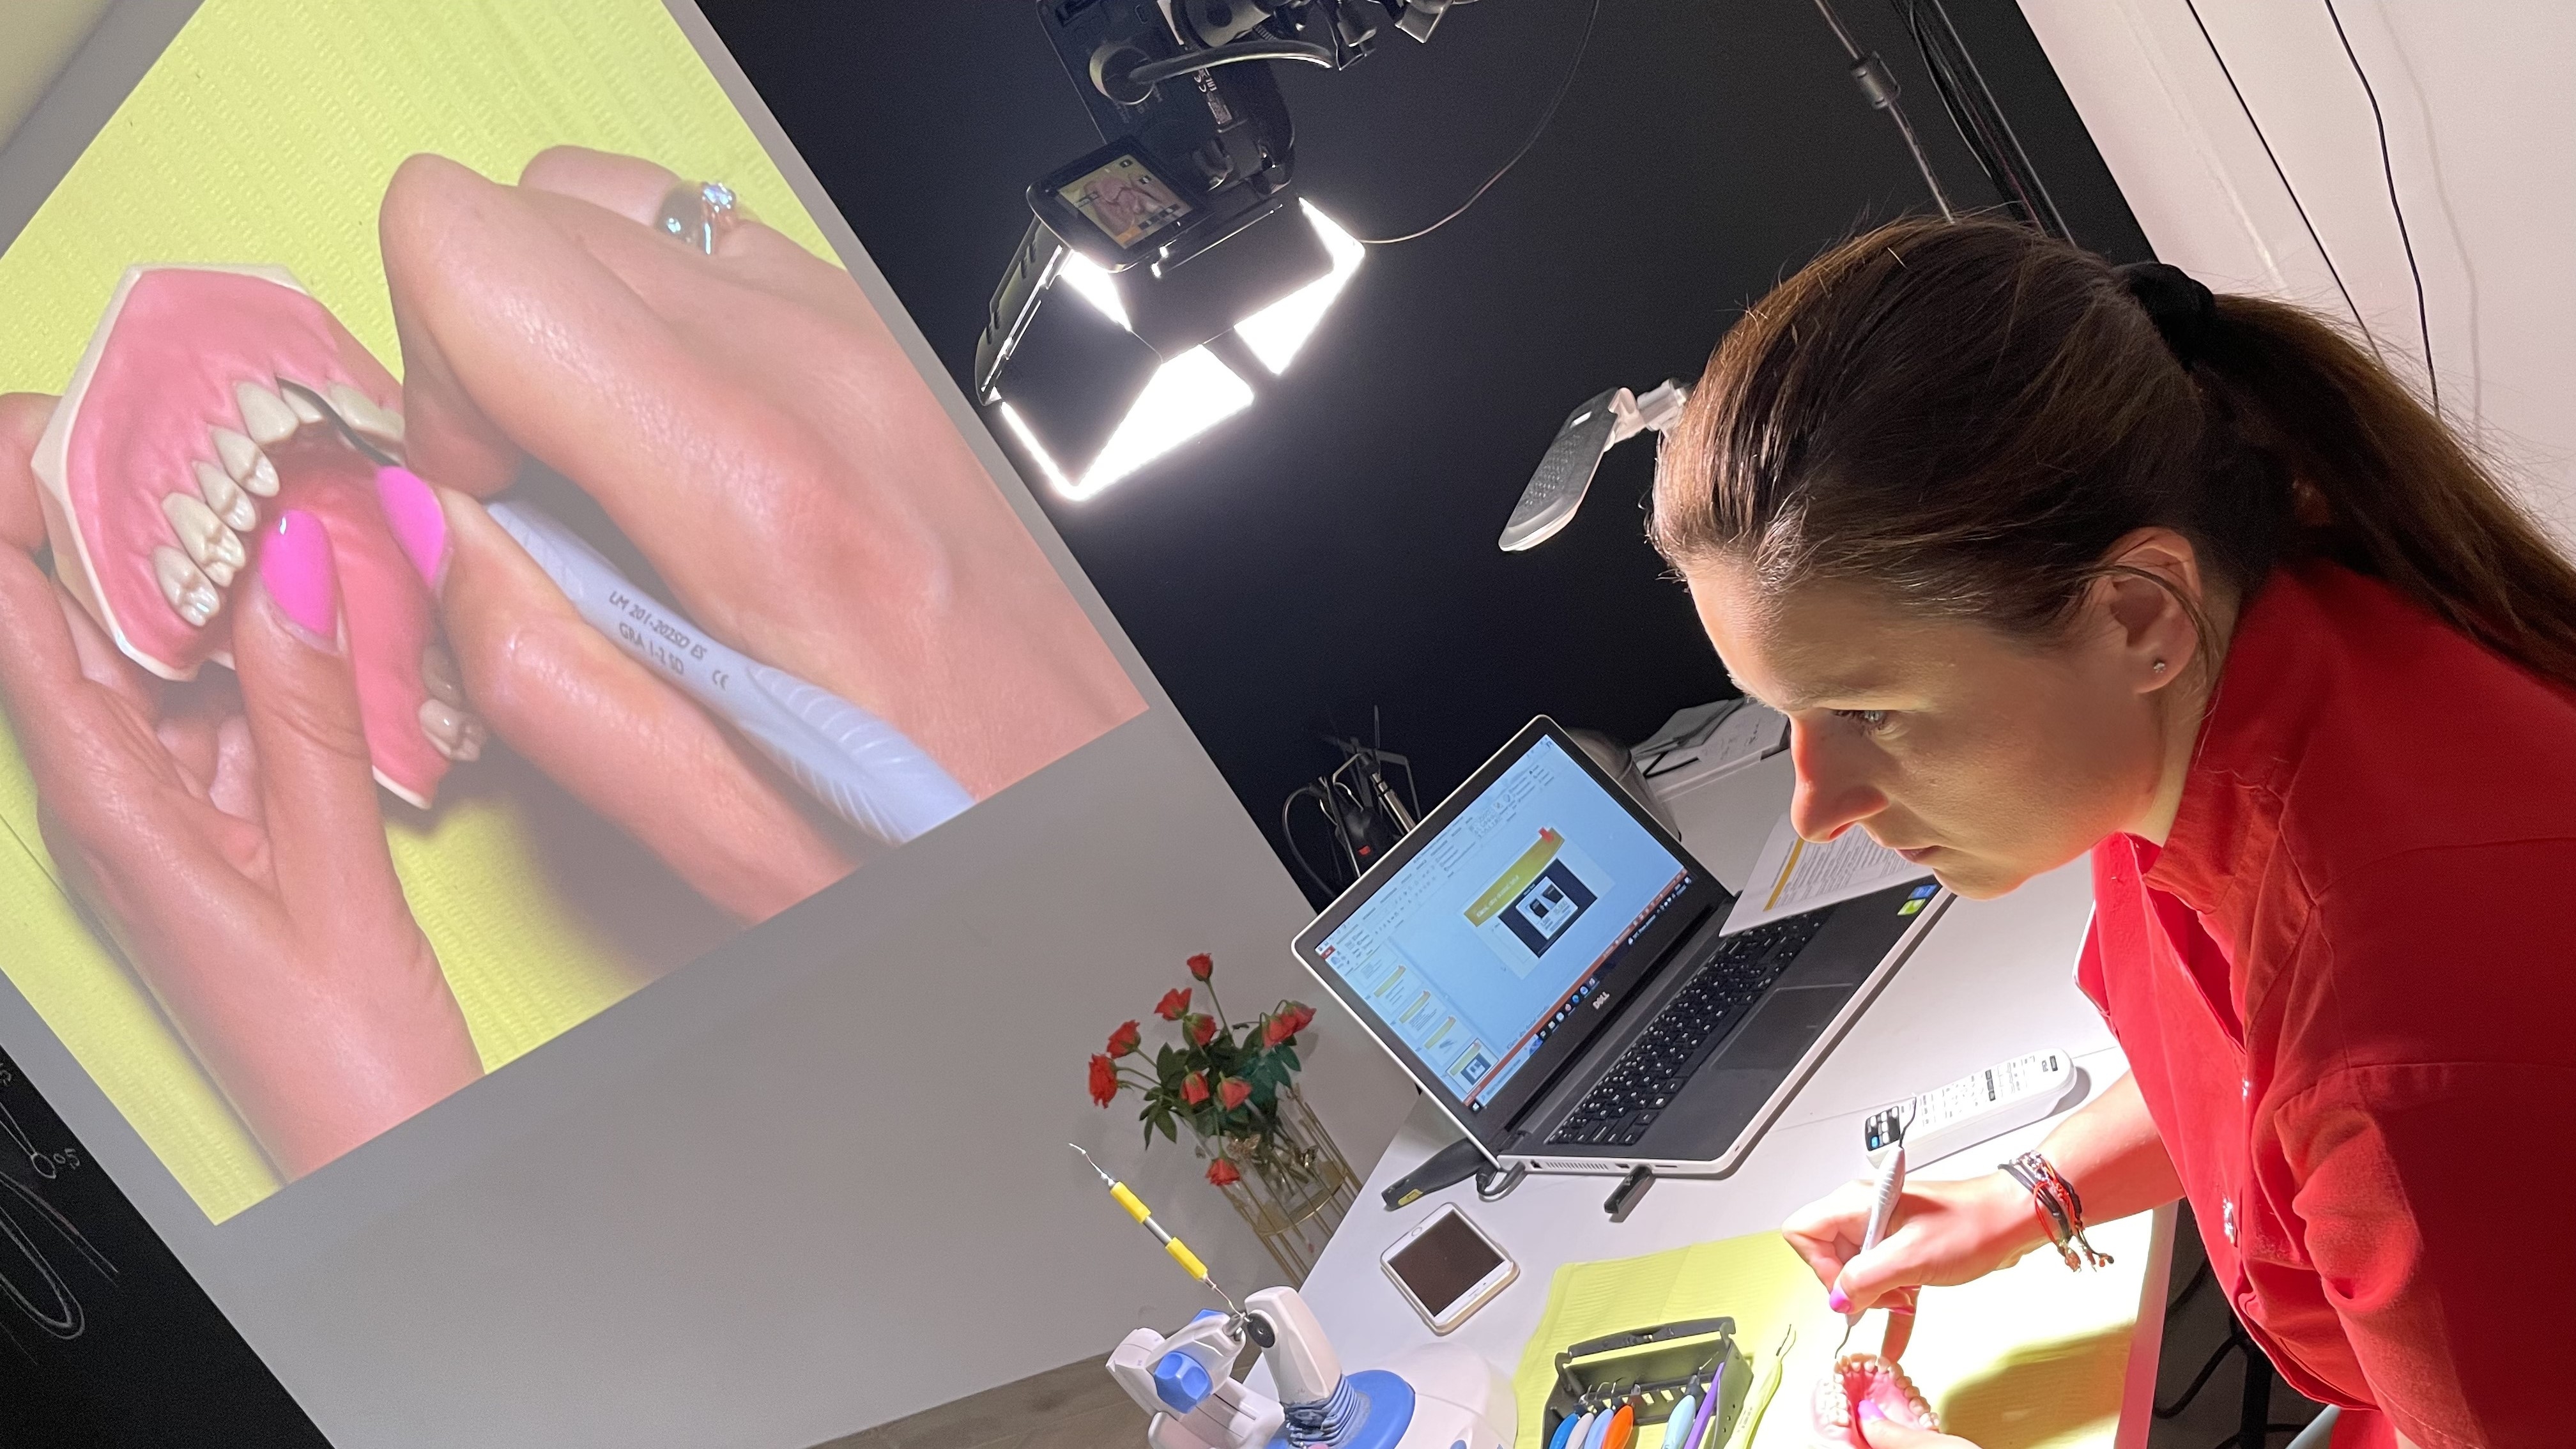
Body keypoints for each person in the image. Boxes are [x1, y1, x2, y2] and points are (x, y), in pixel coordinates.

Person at [1648, 218, 2576, 1449]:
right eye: (1790, 720)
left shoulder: (2405, 1050)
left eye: (1870, 711)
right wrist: (2027, 1196)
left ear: (2137, 614)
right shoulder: (2211, 689)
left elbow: (2345, 1096)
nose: (1815, 809)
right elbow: (2242, 1070)